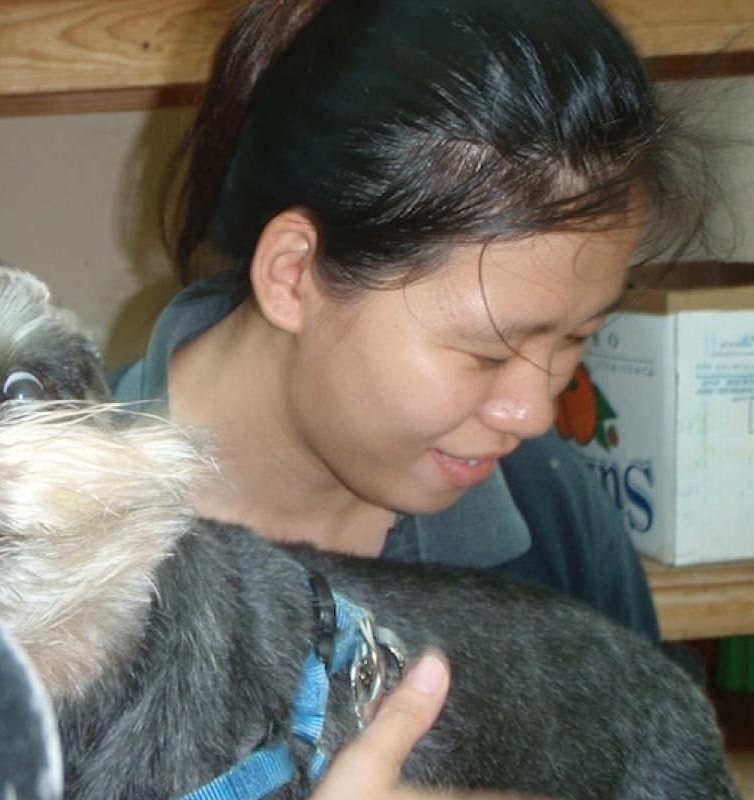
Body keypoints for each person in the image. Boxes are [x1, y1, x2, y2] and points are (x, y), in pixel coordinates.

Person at [110, 0, 711, 796]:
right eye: (486, 351)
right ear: (294, 275)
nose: (534, 413)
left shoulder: (553, 516)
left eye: (576, 338)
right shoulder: (36, 557)